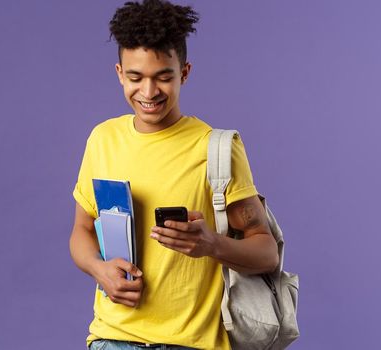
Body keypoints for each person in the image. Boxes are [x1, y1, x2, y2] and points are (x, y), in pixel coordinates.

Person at [68, 1, 279, 349]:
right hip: (112, 338)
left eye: (163, 77)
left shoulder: (218, 149)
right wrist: (98, 268)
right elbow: (81, 229)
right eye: (135, 78)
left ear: (184, 72)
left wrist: (212, 244)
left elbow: (266, 252)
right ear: (119, 72)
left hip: (193, 343)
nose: (148, 92)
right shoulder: (102, 139)